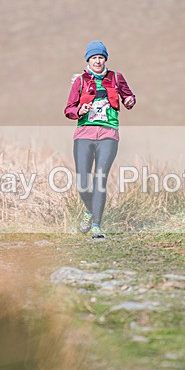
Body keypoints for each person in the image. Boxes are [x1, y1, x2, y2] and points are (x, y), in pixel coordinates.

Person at [64, 40, 136, 239]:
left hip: (108, 134)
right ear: (89, 59)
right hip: (84, 135)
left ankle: (96, 225)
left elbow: (129, 96)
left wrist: (130, 100)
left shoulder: (116, 78)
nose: (98, 61)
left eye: (101, 57)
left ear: (105, 59)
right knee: (82, 183)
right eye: (94, 57)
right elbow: (68, 109)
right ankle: (90, 211)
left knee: (100, 180)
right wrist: (80, 110)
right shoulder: (80, 81)